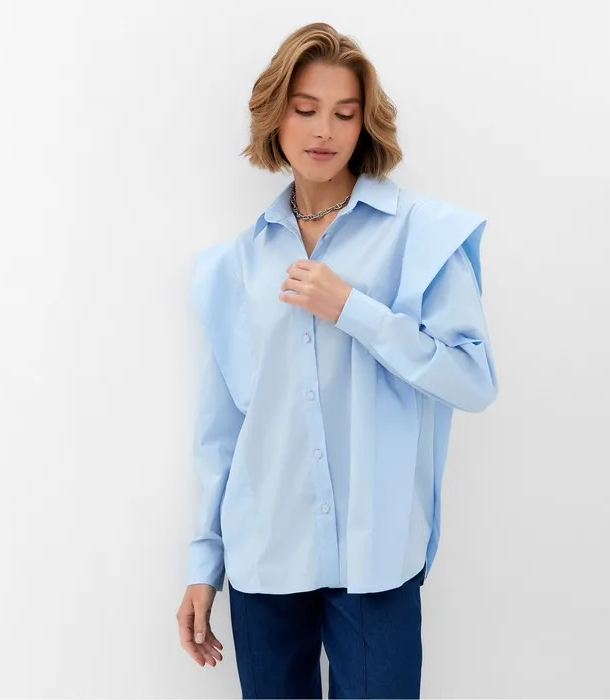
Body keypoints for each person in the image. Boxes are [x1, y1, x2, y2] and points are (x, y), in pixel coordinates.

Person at [176, 21, 498, 699]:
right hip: (264, 557)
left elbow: (472, 380)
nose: (324, 131)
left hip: (376, 560)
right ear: (276, 116)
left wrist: (353, 308)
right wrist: (205, 563)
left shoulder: (421, 233)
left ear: (364, 124)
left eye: (344, 114)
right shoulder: (237, 264)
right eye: (306, 109)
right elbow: (222, 429)